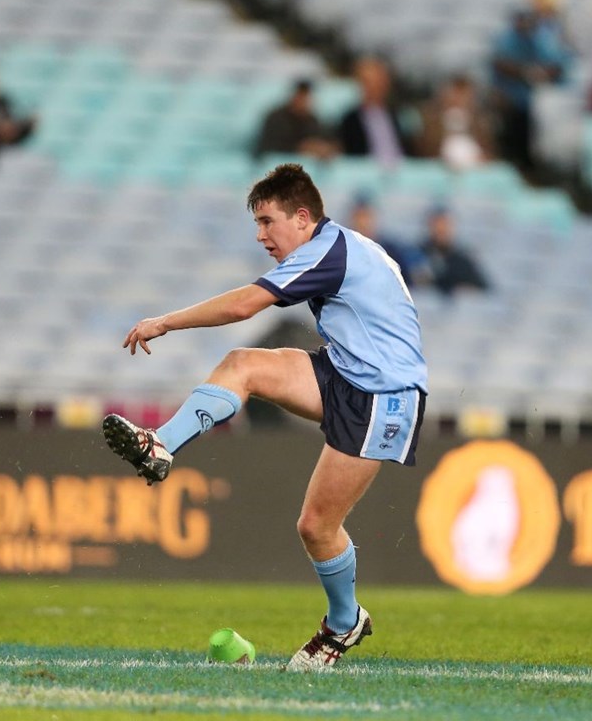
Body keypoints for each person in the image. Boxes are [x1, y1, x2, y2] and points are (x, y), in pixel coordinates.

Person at [101, 164, 428, 671]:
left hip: (384, 396)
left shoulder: (328, 250)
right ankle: (159, 445)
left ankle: (345, 622)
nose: (260, 236)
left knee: (317, 527)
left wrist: (164, 321)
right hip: (346, 371)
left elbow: (245, 305)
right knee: (243, 364)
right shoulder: (339, 245)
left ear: (302, 217)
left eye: (267, 221)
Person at [490, 9, 571, 171]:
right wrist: (526, 72)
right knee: (512, 132)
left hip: (536, 101)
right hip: (511, 97)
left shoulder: (541, 39)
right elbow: (499, 64)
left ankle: (532, 166)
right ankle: (512, 162)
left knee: (533, 134)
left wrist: (538, 73)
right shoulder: (506, 40)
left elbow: (557, 66)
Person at [338, 56, 414, 165]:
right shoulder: (349, 120)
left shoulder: (398, 115)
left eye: (379, 81)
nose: (375, 86)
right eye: (369, 82)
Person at [415, 74, 496, 170]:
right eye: (455, 93)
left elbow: (489, 151)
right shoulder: (428, 118)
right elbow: (423, 150)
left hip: (476, 169)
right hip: (440, 168)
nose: (459, 99)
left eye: (464, 95)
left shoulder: (480, 122)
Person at [348, 194, 431, 288]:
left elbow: (407, 282)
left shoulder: (390, 251)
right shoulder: (341, 250)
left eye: (366, 217)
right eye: (359, 217)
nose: (363, 223)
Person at [254, 79, 338, 160]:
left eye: (306, 98)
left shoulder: (311, 119)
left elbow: (321, 138)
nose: (303, 102)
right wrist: (300, 148)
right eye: (300, 97)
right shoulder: (276, 118)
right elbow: (269, 147)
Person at [419, 205, 490, 295]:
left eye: (444, 225)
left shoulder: (462, 261)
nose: (440, 230)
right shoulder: (417, 255)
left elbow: (483, 289)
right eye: (437, 225)